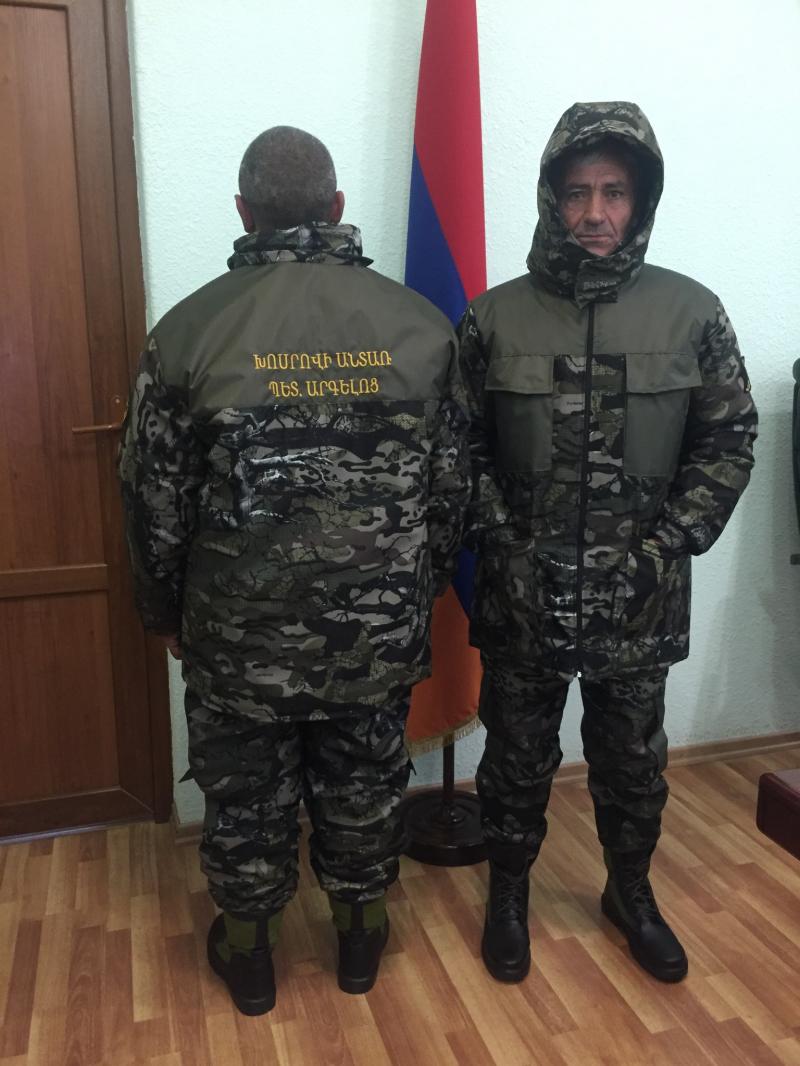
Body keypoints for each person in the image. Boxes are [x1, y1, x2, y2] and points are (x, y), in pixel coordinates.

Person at [118, 126, 470, 1015]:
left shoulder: (187, 332)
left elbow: (152, 501)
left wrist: (164, 614)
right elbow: (453, 491)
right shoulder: (422, 329)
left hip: (238, 637)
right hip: (375, 631)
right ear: (338, 208)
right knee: (364, 786)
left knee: (246, 801)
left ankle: (249, 957)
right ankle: (359, 941)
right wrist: (411, 592)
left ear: (243, 213)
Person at [460, 101, 757, 984]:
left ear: (642, 199)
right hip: (524, 596)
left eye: (615, 192)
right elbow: (457, 449)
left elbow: (728, 441)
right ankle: (508, 895)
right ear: (551, 198)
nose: (595, 213)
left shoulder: (691, 313)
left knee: (632, 766)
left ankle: (630, 892)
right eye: (578, 192)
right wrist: (503, 544)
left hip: (640, 598)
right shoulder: (495, 318)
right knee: (514, 763)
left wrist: (668, 547)